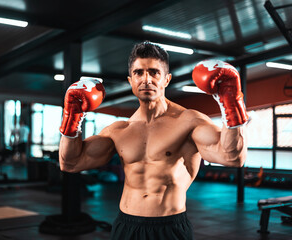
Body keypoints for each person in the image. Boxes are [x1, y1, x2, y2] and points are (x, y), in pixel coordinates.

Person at [58, 41, 249, 240]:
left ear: (167, 79)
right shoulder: (119, 130)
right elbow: (70, 162)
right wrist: (72, 117)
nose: (146, 79)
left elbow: (232, 157)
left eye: (154, 72)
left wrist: (231, 104)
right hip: (126, 227)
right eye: (139, 73)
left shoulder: (189, 121)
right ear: (130, 80)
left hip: (169, 228)